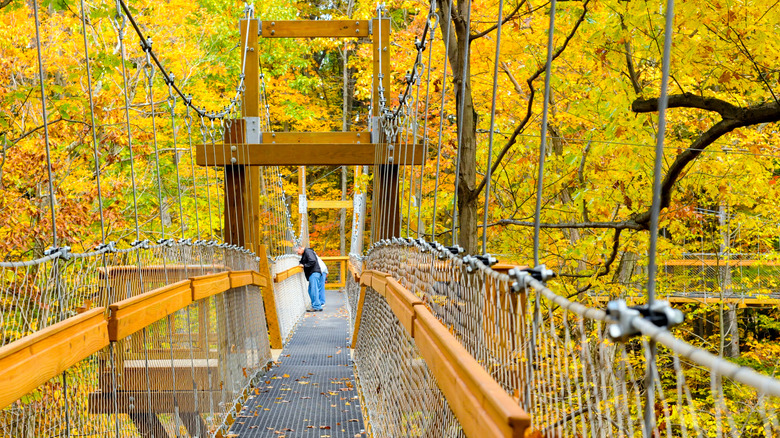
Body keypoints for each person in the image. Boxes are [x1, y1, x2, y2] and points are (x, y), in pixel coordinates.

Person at [296, 245, 323, 312]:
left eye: (297, 251)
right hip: (313, 273)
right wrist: (301, 263)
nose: (297, 253)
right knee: (311, 290)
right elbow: (303, 261)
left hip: (314, 273)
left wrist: (304, 265)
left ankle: (316, 306)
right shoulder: (305, 253)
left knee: (313, 290)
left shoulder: (308, 251)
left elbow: (312, 261)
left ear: (300, 248)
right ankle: (317, 305)